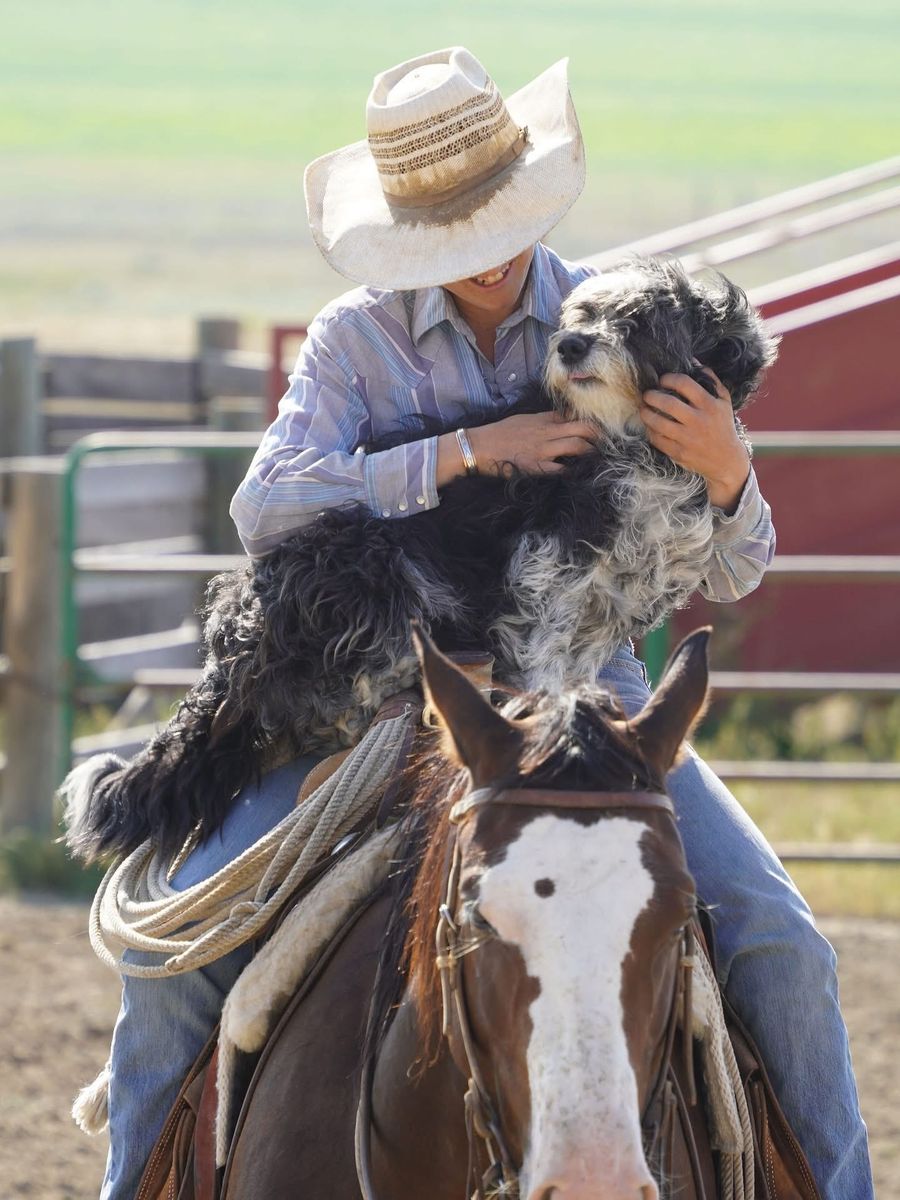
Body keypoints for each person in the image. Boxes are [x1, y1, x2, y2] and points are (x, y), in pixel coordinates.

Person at [100, 48, 873, 1199]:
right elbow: (268, 507)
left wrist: (727, 474)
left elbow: (738, 565)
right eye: (454, 234)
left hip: (592, 702)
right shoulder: (356, 341)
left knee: (781, 940)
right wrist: (463, 452)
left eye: (500, 218)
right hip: (381, 703)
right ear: (407, 233)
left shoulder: (624, 320)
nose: (490, 253)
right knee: (169, 954)